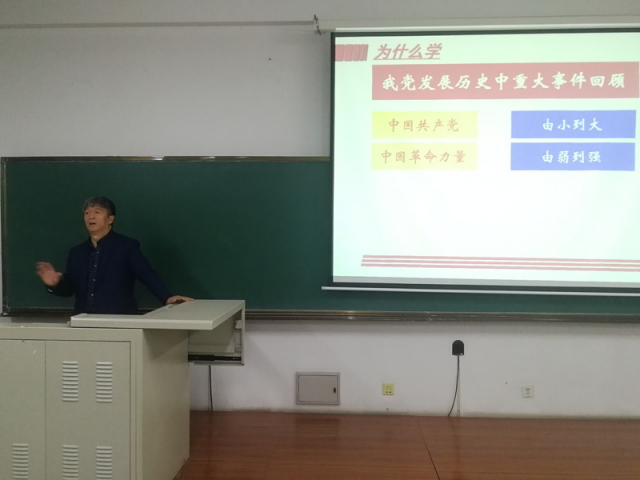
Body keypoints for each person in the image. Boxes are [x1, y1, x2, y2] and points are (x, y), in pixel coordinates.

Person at [36, 196, 193, 314]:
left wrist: (167, 297)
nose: (91, 217)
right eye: (87, 213)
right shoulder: (77, 253)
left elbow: (146, 274)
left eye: (97, 212)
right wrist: (55, 283)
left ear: (110, 219)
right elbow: (70, 289)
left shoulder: (126, 246)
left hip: (119, 321)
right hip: (84, 323)